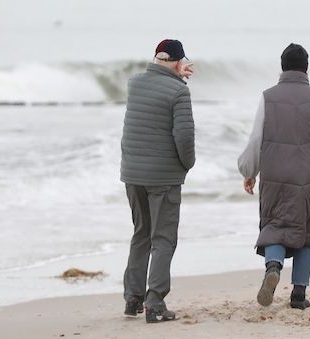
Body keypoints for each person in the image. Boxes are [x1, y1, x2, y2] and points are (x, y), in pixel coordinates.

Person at [238, 43, 310, 310]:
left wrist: (249, 171)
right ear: (306, 68)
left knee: (276, 224)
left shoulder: (268, 97)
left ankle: (273, 266)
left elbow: (256, 137)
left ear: (282, 66)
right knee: (309, 229)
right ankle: (299, 294)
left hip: (276, 170)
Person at [120, 39, 195, 323]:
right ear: (178, 62)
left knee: (141, 234)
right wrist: (187, 165)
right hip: (162, 177)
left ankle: (132, 299)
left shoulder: (134, 83)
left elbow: (156, 83)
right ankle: (155, 304)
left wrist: (174, 73)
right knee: (163, 239)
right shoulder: (179, 92)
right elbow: (184, 138)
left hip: (132, 174)